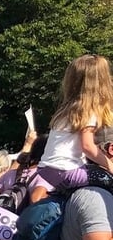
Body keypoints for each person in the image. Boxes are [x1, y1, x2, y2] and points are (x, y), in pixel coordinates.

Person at [31, 54, 113, 200]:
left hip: (47, 169)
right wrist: (110, 166)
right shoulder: (88, 110)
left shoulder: (67, 108)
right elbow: (87, 146)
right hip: (66, 169)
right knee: (107, 179)